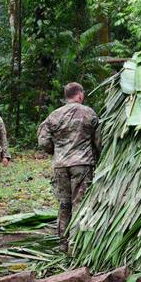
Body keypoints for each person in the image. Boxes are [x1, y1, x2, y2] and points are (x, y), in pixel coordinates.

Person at [37, 82, 100, 244]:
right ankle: (76, 242)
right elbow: (99, 141)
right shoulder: (89, 113)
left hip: (60, 165)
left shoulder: (54, 115)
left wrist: (56, 151)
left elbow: (43, 141)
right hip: (82, 164)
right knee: (79, 202)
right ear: (79, 95)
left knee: (64, 204)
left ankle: (63, 242)